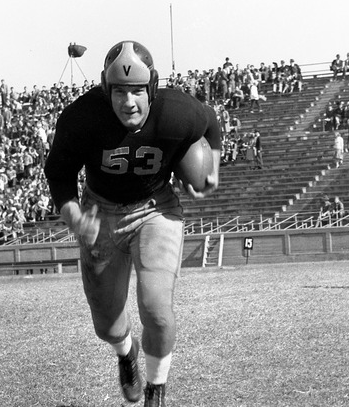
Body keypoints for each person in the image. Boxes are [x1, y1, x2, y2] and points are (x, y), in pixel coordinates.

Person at [44, 40, 221, 406]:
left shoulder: (177, 111)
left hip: (156, 207)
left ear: (152, 88)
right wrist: (73, 214)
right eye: (120, 92)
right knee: (107, 325)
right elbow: (58, 174)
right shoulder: (81, 117)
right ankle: (126, 353)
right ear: (106, 90)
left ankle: (156, 389)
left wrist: (212, 170)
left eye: (138, 91)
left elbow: (212, 124)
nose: (129, 102)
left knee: (156, 309)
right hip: (102, 211)